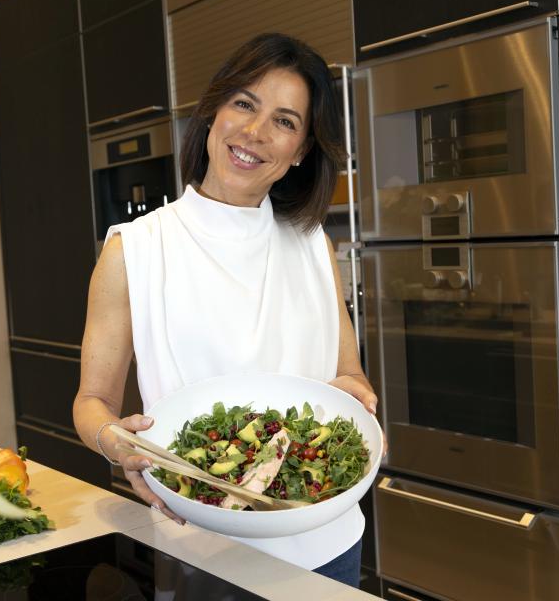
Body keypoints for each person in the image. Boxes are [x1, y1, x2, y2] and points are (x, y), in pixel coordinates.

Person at [73, 33, 379, 588]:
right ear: (212, 113)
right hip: (203, 548)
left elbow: (350, 373)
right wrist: (119, 447)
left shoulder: (313, 245)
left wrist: (355, 396)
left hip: (326, 540)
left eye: (285, 121)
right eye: (244, 103)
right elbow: (93, 402)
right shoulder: (134, 250)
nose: (255, 133)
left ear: (301, 151)